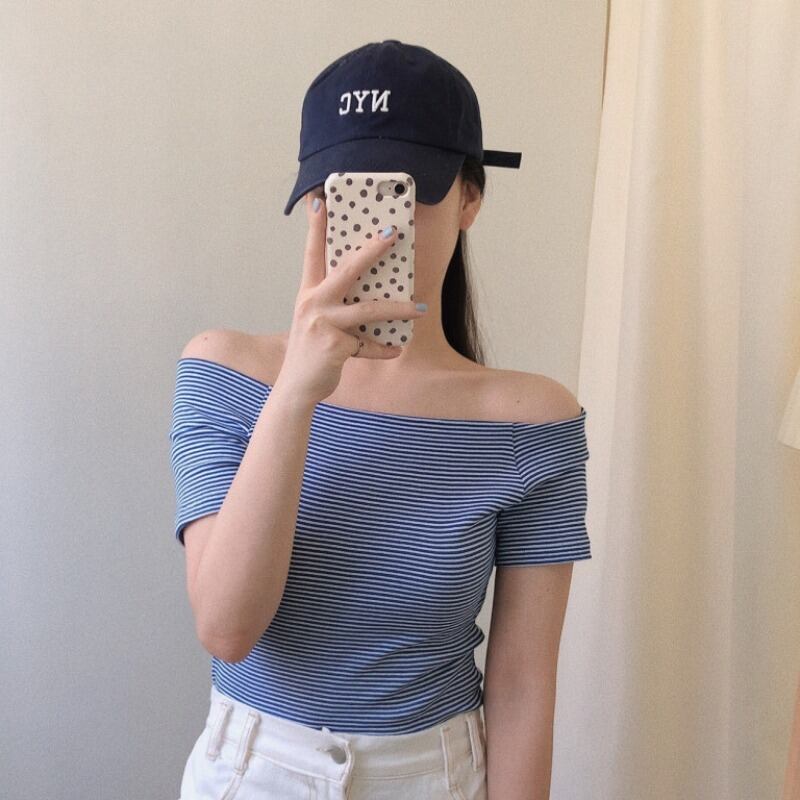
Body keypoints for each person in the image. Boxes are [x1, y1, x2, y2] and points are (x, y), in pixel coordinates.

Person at [169, 39, 589, 800]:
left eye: (402, 192)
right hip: (253, 771)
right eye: (343, 193)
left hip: (435, 775)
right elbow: (227, 629)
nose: (375, 233)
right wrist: (296, 392)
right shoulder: (223, 371)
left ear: (470, 199)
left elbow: (524, 685)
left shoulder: (533, 421)